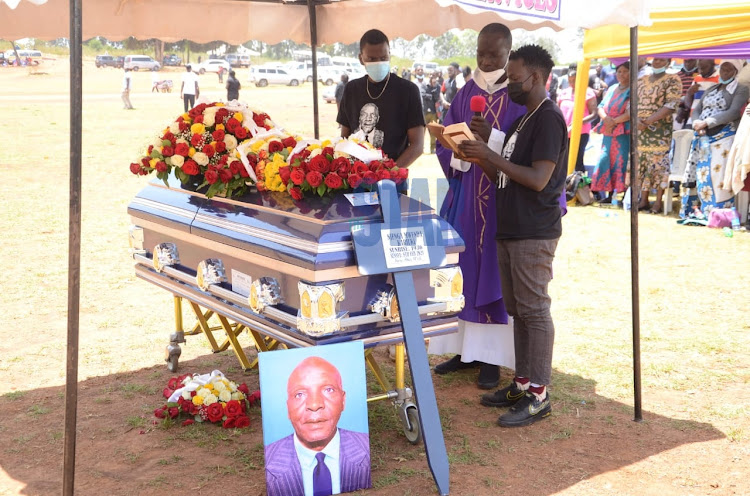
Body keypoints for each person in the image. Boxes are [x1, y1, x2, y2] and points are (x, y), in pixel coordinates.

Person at [457, 44, 568, 427]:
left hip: (533, 231)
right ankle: (522, 382)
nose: (508, 85)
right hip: (511, 228)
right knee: (519, 310)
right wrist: (483, 154)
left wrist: (491, 155)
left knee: (534, 310)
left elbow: (538, 179)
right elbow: (505, 175)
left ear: (535, 78)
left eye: (514, 79)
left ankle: (539, 394)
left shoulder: (549, 119)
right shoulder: (524, 119)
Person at [428, 23, 527, 390]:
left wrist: (490, 140)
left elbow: (522, 147)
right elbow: (444, 145)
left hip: (500, 200)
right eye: (481, 53)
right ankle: (463, 350)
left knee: (492, 275)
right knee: (462, 270)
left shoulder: (517, 95)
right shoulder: (465, 92)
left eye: (494, 54)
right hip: (466, 196)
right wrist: (455, 151)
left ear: (508, 52)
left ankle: (490, 359)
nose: (486, 61)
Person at [264, 357, 371, 496]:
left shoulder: (364, 450)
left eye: (328, 390)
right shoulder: (270, 462)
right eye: (300, 394)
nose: (314, 405)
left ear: (343, 400)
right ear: (287, 407)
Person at [337, 29, 425, 167]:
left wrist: (390, 174)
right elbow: (344, 138)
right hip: (355, 179)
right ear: (361, 59)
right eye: (372, 59)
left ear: (389, 55)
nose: (379, 62)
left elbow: (417, 145)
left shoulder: (408, 90)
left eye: (383, 58)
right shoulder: (351, 89)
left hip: (393, 181)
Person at [680, 60, 749, 219]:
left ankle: (717, 213)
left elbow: (733, 112)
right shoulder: (712, 88)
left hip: (723, 137)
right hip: (702, 135)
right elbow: (698, 109)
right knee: (700, 173)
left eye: (728, 69)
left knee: (716, 175)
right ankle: (696, 210)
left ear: (735, 71)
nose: (724, 71)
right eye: (722, 68)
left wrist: (708, 122)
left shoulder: (741, 90)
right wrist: (697, 122)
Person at [636, 57, 682, 213]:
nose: (657, 63)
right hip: (641, 131)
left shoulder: (673, 80)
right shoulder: (641, 80)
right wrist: (637, 120)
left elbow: (671, 105)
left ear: (668, 63)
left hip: (660, 131)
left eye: (661, 60)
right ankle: (643, 200)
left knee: (658, 164)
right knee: (642, 163)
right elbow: (632, 103)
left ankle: (657, 202)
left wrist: (648, 121)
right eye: (655, 60)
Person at [591, 61, 631, 201]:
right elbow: (601, 106)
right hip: (608, 131)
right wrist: (606, 119)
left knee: (621, 161)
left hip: (623, 132)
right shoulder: (612, 88)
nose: (621, 74)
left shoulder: (633, 90)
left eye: (625, 71)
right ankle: (608, 193)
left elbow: (630, 112)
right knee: (605, 159)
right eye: (619, 71)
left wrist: (613, 121)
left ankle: (624, 195)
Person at [557, 69, 597, 173]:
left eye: (574, 80)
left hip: (580, 132)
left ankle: (580, 185)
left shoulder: (587, 92)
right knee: (563, 160)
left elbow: (594, 114)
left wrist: (578, 122)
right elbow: (557, 110)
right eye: (570, 80)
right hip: (564, 132)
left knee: (577, 160)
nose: (572, 83)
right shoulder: (564, 92)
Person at [413, 64, 439, 153]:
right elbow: (423, 95)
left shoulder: (428, 82)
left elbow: (435, 96)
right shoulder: (413, 83)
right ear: (415, 72)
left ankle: (432, 148)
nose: (420, 71)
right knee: (421, 132)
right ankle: (420, 149)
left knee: (433, 131)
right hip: (420, 110)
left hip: (431, 110)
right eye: (418, 70)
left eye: (421, 70)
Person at [675, 59, 699, 129]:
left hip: (694, 109)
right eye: (686, 61)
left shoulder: (700, 75)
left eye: (691, 61)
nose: (688, 64)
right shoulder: (677, 76)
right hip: (678, 110)